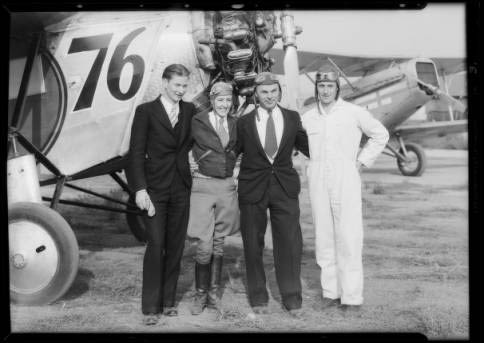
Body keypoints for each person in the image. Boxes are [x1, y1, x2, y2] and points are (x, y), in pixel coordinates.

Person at [301, 65, 389, 313]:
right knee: (324, 237)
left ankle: (351, 297)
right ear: (316, 88)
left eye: (330, 86)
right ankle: (331, 292)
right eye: (321, 86)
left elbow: (380, 134)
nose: (325, 90)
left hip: (345, 177)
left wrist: (362, 161)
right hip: (318, 177)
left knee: (349, 237)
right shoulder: (308, 117)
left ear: (337, 88)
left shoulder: (354, 112)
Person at [127, 64, 197, 325]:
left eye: (184, 86)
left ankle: (168, 302)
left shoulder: (190, 111)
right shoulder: (146, 111)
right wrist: (139, 189)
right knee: (156, 246)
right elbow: (134, 153)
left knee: (176, 246)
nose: (181, 90)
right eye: (177, 85)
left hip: (181, 187)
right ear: (165, 83)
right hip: (154, 189)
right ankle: (150, 308)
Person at [235, 72, 309, 316]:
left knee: (289, 243)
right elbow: (229, 154)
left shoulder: (292, 117)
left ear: (280, 92)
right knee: (252, 244)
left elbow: (310, 147)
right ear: (256, 94)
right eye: (264, 92)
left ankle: (291, 298)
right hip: (252, 188)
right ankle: (258, 298)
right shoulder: (243, 123)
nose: (269, 96)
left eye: (273, 91)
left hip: (284, 188)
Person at [187, 81, 240, 315]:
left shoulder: (235, 123)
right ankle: (199, 295)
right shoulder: (197, 121)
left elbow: (239, 150)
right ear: (212, 100)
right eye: (220, 100)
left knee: (219, 243)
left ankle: (213, 294)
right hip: (202, 185)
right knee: (204, 244)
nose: (224, 105)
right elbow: (185, 147)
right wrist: (191, 167)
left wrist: (236, 174)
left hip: (226, 186)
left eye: (228, 100)